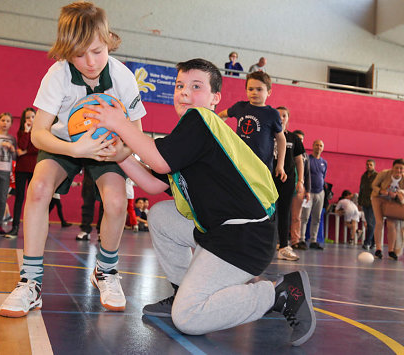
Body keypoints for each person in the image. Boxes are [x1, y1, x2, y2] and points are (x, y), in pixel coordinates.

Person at [90, 58, 315, 346]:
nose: (184, 92)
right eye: (180, 85)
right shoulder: (189, 135)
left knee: (189, 318)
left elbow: (157, 162)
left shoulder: (201, 120)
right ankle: (182, 290)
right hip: (222, 232)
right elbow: (154, 183)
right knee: (160, 216)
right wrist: (119, 156)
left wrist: (119, 124)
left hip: (244, 238)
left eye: (196, 86)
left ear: (215, 99)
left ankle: (281, 293)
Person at [0, 0, 146, 317]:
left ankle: (106, 271)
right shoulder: (58, 75)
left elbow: (136, 135)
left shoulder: (122, 77)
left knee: (118, 201)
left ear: (108, 42)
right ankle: (31, 283)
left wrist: (118, 151)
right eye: (79, 54)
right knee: (37, 190)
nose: (90, 62)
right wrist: (76, 150)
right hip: (64, 142)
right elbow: (39, 133)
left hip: (107, 145)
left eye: (97, 51)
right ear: (66, 50)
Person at [218, 72, 286, 180]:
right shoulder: (240, 107)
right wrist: (217, 129)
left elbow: (281, 139)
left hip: (261, 166)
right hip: (239, 163)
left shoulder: (272, 114)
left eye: (259, 89)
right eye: (250, 89)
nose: (254, 92)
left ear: (269, 92)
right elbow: (221, 115)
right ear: (246, 91)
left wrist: (280, 165)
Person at [274, 107, 305, 261]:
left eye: (284, 115)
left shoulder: (294, 138)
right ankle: (266, 243)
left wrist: (301, 181)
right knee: (267, 212)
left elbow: (299, 160)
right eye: (278, 115)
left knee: (284, 212)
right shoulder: (266, 134)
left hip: (288, 180)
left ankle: (284, 246)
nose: (281, 118)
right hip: (268, 179)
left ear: (288, 118)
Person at [7, 108, 38, 238]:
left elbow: (38, 147)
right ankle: (15, 228)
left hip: (34, 170)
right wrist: (26, 131)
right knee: (19, 199)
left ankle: (32, 230)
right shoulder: (21, 132)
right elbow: (22, 145)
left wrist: (26, 151)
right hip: (21, 169)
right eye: (27, 117)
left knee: (33, 200)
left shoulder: (40, 132)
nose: (30, 119)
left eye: (32, 116)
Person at [371, 158, 404, 260]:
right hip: (378, 198)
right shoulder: (384, 174)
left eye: (401, 169)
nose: (399, 170)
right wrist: (382, 191)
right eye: (397, 168)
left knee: (391, 224)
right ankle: (378, 249)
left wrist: (399, 193)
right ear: (392, 168)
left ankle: (391, 251)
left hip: (392, 201)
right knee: (379, 222)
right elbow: (373, 185)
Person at [300, 139, 327, 250]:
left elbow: (323, 176)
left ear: (322, 148)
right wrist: (306, 190)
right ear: (313, 146)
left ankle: (313, 241)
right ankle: (301, 239)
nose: (318, 147)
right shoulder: (307, 159)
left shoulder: (324, 162)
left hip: (320, 193)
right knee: (304, 217)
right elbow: (304, 175)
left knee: (317, 218)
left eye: (321, 145)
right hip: (308, 193)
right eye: (316, 145)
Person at [290, 130, 311, 250]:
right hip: (286, 186)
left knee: (296, 216)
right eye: (297, 138)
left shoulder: (305, 156)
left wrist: (307, 190)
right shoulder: (286, 150)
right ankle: (278, 241)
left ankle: (295, 241)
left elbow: (307, 174)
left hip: (299, 188)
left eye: (301, 139)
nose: (299, 141)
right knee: (282, 214)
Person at [77, 170, 104, 241]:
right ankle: (85, 230)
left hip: (106, 171)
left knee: (105, 205)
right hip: (90, 170)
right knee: (87, 203)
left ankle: (102, 232)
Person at [358, 159, 377, 250]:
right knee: (371, 223)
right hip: (364, 202)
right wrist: (359, 202)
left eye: (371, 165)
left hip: (374, 202)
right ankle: (373, 243)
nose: (369, 166)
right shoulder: (363, 176)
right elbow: (361, 189)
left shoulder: (377, 176)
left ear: (374, 166)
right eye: (367, 164)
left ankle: (367, 242)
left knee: (370, 223)